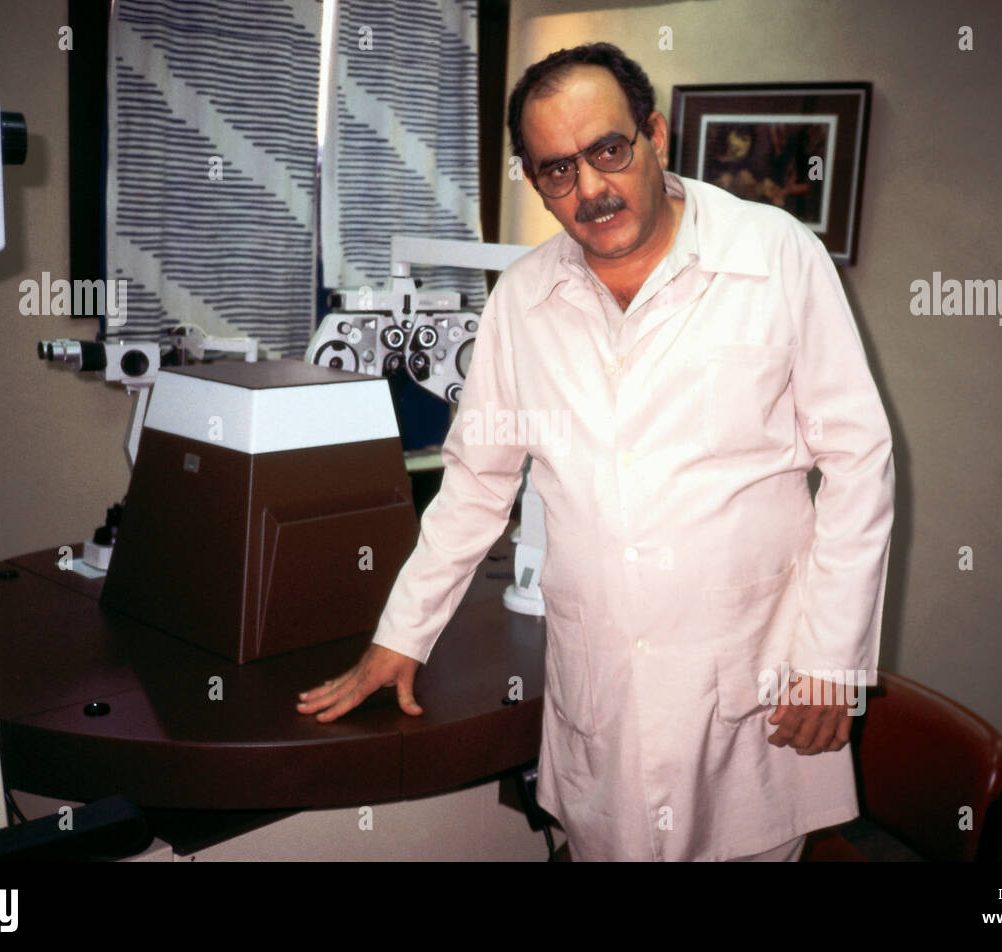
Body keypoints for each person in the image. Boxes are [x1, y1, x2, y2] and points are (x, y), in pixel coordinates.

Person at [297, 42, 895, 862]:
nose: (590, 190)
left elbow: (859, 459)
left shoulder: (774, 256)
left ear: (652, 133)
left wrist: (831, 661)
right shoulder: (524, 300)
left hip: (753, 683)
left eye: (608, 150)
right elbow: (477, 487)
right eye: (555, 170)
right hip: (601, 693)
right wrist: (401, 636)